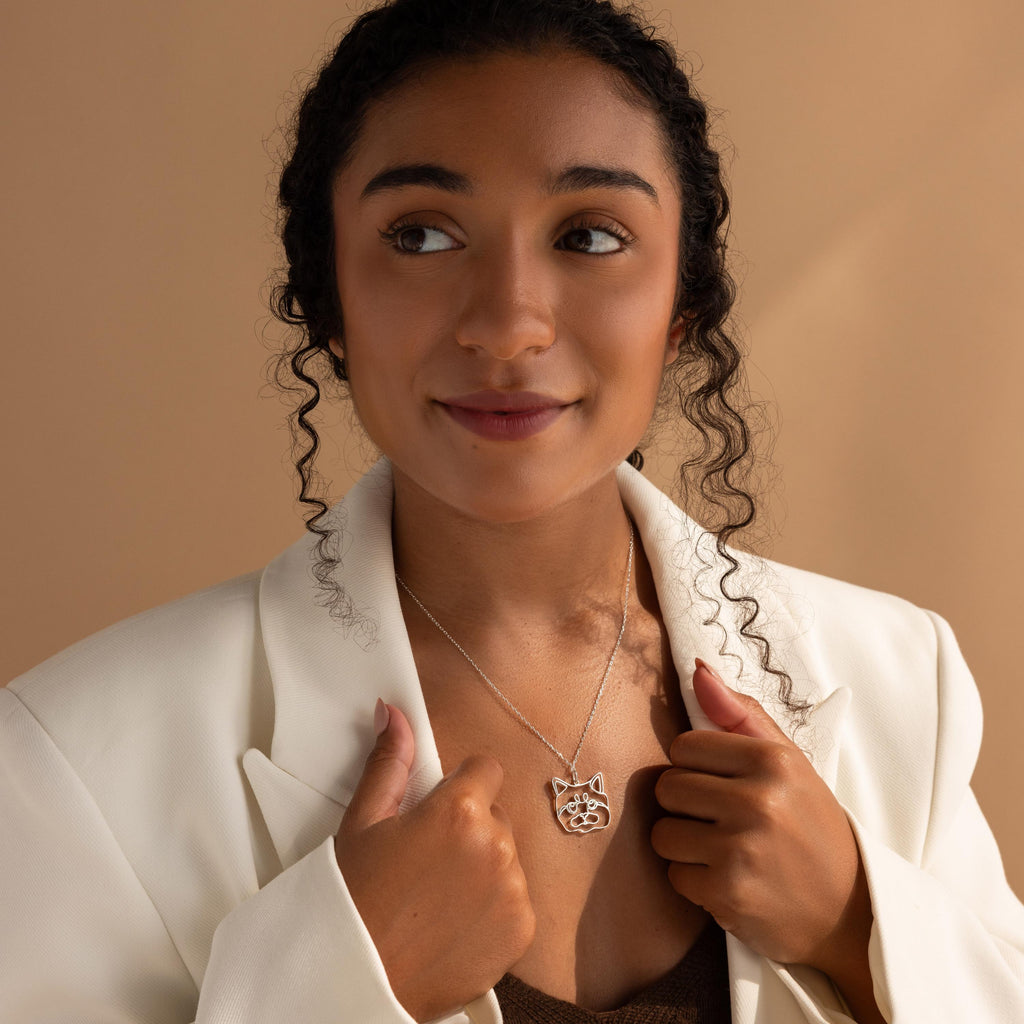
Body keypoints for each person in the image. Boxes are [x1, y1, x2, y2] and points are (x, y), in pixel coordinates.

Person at [3, 0, 1023, 1021]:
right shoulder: (74, 758)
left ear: (680, 306)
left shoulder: (904, 681)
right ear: (330, 299)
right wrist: (340, 984)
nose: (506, 323)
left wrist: (857, 925)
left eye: (588, 234)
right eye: (422, 234)